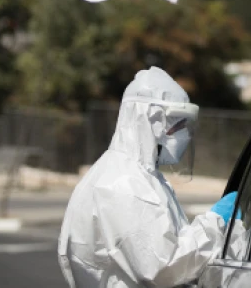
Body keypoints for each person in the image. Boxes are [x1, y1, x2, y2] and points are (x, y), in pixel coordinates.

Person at [58, 67, 238, 288]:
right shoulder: (122, 184)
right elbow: (164, 268)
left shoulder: (138, 175)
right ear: (154, 121)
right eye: (179, 124)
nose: (185, 134)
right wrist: (216, 221)